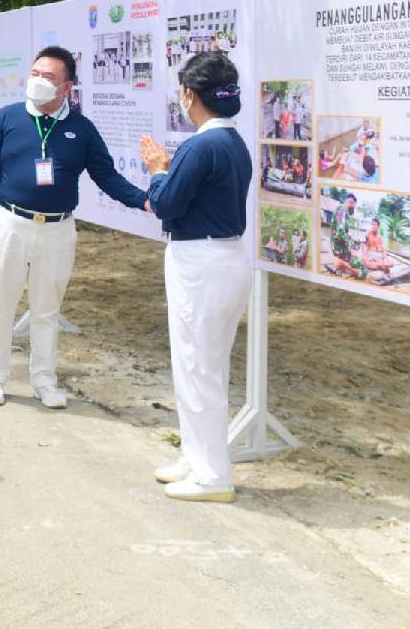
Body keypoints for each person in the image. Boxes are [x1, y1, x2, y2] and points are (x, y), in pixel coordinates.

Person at [0, 46, 148, 409]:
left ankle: (44, 380)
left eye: (48, 77)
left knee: (47, 309)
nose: (38, 81)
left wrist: (144, 200)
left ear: (67, 87)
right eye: (35, 73)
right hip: (11, 223)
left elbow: (106, 176)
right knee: (2, 303)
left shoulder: (81, 129)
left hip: (58, 230)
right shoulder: (7, 118)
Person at [138, 51, 252, 503]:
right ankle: (197, 455)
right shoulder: (232, 142)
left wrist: (158, 169)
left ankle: (212, 476)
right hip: (221, 259)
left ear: (190, 94)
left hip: (202, 261)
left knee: (198, 366)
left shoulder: (201, 146)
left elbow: (166, 204)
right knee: (204, 364)